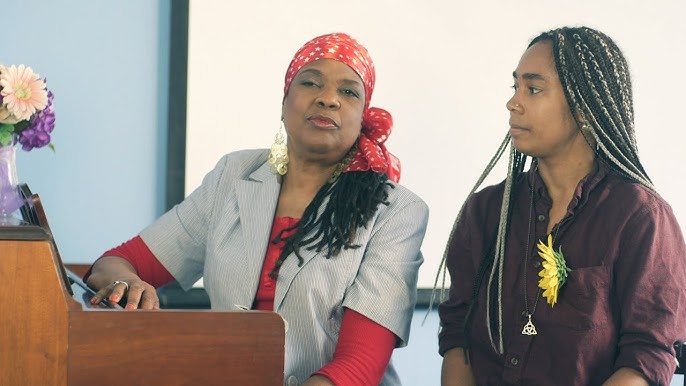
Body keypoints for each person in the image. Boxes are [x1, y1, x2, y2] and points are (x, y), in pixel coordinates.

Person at [85, 32, 429, 386]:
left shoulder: (396, 212)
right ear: (284, 102)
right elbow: (113, 263)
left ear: (363, 118)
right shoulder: (233, 176)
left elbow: (359, 366)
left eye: (348, 92)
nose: (328, 99)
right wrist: (124, 281)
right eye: (310, 83)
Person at [437, 26, 686, 386]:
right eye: (515, 86)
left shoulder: (641, 217)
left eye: (533, 89)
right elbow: (458, 337)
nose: (514, 102)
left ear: (584, 108)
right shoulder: (484, 211)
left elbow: (647, 356)